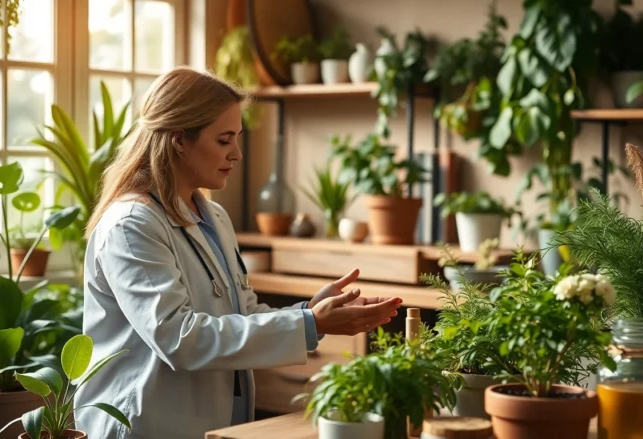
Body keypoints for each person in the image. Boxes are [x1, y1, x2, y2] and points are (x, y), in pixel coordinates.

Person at [74, 67, 403, 439]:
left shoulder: (214, 217)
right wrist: (311, 324)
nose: (237, 154)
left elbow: (242, 314)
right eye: (224, 140)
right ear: (179, 139)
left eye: (237, 138)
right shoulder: (131, 224)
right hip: (143, 427)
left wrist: (309, 312)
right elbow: (178, 338)